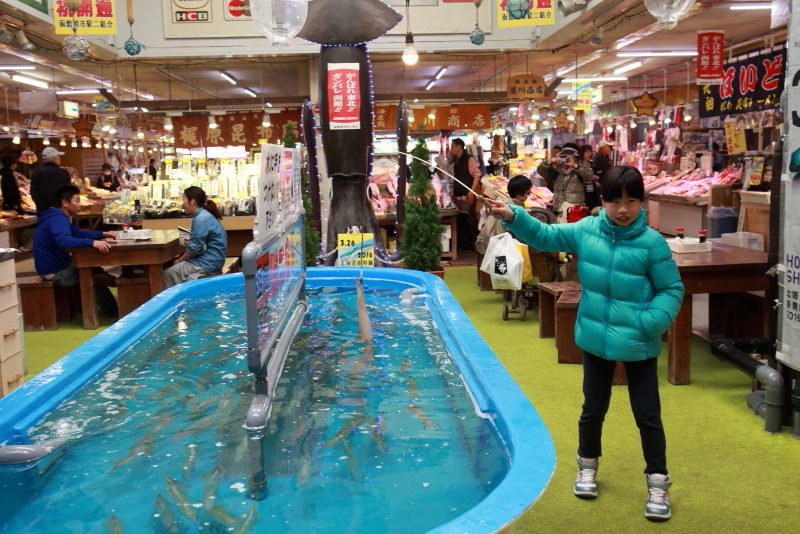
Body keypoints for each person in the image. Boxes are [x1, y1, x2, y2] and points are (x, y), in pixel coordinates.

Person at [486, 166, 684, 522]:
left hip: (638, 341)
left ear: (641, 201)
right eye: (615, 201)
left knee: (648, 416)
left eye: (632, 201)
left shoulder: (652, 243)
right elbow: (546, 236)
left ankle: (658, 482)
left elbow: (671, 289)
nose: (623, 209)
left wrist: (650, 322)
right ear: (603, 201)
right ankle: (587, 466)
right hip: (594, 338)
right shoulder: (587, 230)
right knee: (593, 409)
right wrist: (513, 215)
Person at [33, 185, 118, 317]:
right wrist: (93, 242)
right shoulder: (57, 219)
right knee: (91, 272)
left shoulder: (57, 217)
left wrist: (103, 234)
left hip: (55, 267)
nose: (80, 205)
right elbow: (64, 240)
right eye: (77, 201)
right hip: (55, 272)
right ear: (65, 203)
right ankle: (111, 307)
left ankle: (114, 293)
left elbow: (78, 233)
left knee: (94, 270)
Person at [164, 186, 227, 288]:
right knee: (176, 269)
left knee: (168, 274)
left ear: (192, 201)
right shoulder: (205, 215)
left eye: (184, 199)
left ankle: (173, 303)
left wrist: (180, 260)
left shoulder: (201, 218)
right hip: (214, 260)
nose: (182, 203)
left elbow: (194, 248)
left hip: (208, 263)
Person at [475, 175, 531, 255]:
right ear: (519, 193)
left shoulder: (504, 201)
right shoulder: (513, 207)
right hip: (498, 246)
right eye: (528, 193)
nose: (528, 196)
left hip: (488, 242)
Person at [449, 138, 482, 251]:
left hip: (466, 195)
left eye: (453, 146)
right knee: (461, 220)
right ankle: (463, 246)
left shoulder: (469, 159)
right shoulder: (455, 160)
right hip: (458, 194)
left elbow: (477, 175)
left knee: (469, 220)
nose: (451, 148)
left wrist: (471, 192)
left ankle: (472, 247)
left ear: (459, 147)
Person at [548, 147, 590, 222]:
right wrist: (548, 162)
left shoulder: (580, 170)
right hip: (559, 209)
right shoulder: (557, 171)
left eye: (568, 158)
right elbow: (540, 170)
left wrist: (574, 165)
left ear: (576, 159)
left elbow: (589, 175)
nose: (565, 160)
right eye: (563, 157)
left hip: (575, 210)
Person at [30, 147, 70, 213]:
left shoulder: (36, 173)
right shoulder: (63, 173)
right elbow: (68, 193)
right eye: (58, 156)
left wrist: (43, 207)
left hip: (43, 213)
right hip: (60, 212)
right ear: (54, 158)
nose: (59, 158)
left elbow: (34, 193)